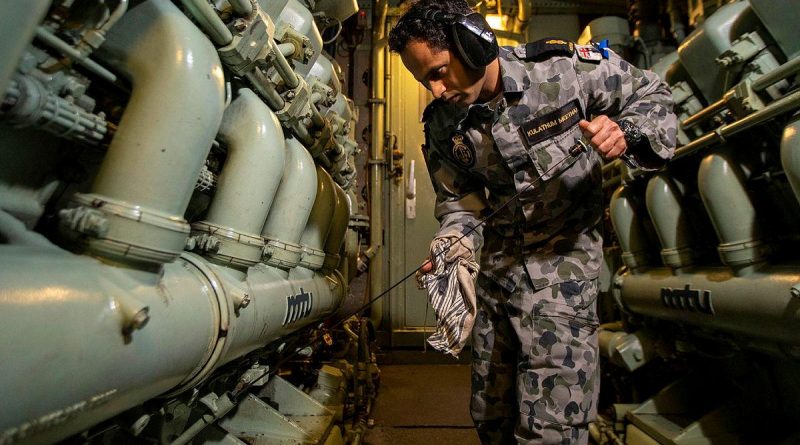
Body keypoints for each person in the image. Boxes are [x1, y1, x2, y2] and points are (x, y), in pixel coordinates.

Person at [388, 0, 677, 443]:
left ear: (474, 44)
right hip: (498, 279)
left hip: (563, 277)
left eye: (439, 71)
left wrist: (628, 132)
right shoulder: (443, 123)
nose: (436, 90)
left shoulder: (563, 71)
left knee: (551, 431)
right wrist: (454, 244)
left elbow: (652, 95)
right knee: (491, 416)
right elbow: (459, 203)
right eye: (423, 79)